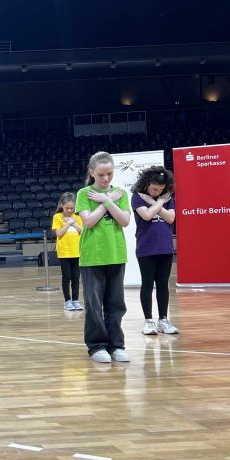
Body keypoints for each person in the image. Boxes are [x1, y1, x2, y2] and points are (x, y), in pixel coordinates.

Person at [76, 151, 132, 364]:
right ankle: (97, 346)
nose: (106, 178)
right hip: (92, 256)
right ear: (91, 172)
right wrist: (105, 202)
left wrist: (107, 201)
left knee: (116, 304)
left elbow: (124, 220)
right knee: (94, 304)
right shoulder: (84, 193)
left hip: (116, 254)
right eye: (101, 174)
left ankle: (116, 345)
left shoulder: (121, 193)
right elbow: (88, 222)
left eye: (109, 173)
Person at [131, 166, 178, 336]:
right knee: (147, 284)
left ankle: (163, 320)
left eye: (160, 190)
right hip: (146, 248)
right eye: (154, 189)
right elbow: (147, 216)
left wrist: (153, 202)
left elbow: (170, 218)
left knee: (163, 284)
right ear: (147, 184)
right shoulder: (137, 197)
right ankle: (148, 321)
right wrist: (159, 203)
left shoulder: (167, 196)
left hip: (165, 247)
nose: (157, 192)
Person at [51, 192, 83, 311]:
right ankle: (67, 301)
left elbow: (82, 231)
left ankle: (75, 300)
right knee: (66, 277)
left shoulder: (78, 217)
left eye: (72, 208)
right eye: (67, 208)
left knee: (76, 278)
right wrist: (68, 223)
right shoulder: (57, 217)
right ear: (62, 205)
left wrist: (73, 222)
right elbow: (59, 233)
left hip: (77, 252)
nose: (69, 210)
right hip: (64, 252)